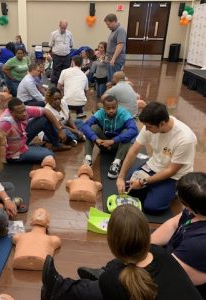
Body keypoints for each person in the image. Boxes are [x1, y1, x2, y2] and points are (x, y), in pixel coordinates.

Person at [41, 205, 203, 300]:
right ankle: (61, 287)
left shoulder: (113, 281)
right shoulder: (161, 254)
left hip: (114, 282)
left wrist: (108, 279)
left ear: (112, 243)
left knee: (100, 288)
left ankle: (59, 288)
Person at [116, 102, 197, 213]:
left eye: (149, 127)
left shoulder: (185, 139)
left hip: (175, 176)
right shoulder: (150, 126)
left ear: (162, 123)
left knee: (152, 207)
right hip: (153, 166)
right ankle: (153, 189)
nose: (146, 129)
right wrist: (120, 177)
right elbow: (133, 151)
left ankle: (176, 191)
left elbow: (171, 170)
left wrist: (143, 182)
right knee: (127, 188)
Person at [151, 172, 206, 299]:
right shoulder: (197, 211)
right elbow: (173, 224)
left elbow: (171, 276)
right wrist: (145, 245)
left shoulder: (199, 243)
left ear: (191, 206)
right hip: (175, 257)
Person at [0, 97, 71, 163]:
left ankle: (56, 144)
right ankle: (16, 157)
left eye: (24, 110)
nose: (24, 113)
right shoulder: (5, 122)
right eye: (20, 112)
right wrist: (2, 159)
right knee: (49, 154)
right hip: (16, 152)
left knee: (43, 119)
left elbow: (46, 111)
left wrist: (60, 129)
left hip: (22, 138)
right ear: (12, 112)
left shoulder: (23, 109)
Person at [82, 95, 138, 179]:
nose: (111, 110)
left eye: (113, 108)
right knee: (93, 128)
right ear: (103, 108)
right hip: (103, 144)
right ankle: (88, 159)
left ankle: (116, 163)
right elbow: (85, 126)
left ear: (117, 106)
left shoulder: (124, 113)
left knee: (127, 132)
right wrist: (95, 138)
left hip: (118, 147)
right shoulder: (100, 113)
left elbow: (134, 130)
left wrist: (113, 140)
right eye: (108, 108)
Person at [49, 20, 73, 85]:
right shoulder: (53, 34)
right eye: (62, 27)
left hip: (67, 56)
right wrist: (53, 54)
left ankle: (65, 89)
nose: (63, 29)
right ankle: (57, 90)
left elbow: (71, 45)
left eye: (65, 28)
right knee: (57, 74)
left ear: (66, 27)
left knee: (66, 73)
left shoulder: (70, 34)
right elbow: (51, 45)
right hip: (57, 57)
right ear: (59, 26)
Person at [104, 14, 127, 82]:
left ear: (114, 21)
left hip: (116, 61)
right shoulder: (114, 31)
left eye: (108, 24)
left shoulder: (120, 30)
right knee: (110, 79)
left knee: (114, 80)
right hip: (110, 59)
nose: (108, 26)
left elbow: (120, 45)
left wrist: (113, 59)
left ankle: (114, 92)